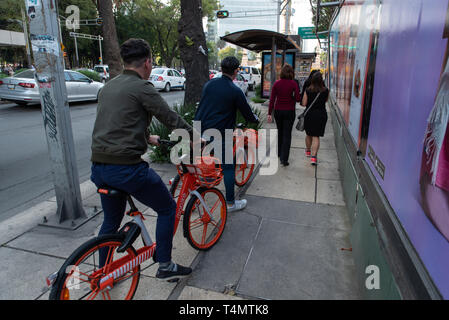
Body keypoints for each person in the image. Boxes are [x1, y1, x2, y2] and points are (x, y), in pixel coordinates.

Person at [90, 38, 194, 281]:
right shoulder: (143, 87)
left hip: (99, 169)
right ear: (147, 62)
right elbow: (170, 118)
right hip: (126, 170)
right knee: (167, 208)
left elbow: (117, 122)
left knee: (111, 222)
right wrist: (196, 137)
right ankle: (166, 265)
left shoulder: (109, 86)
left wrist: (148, 137)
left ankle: (103, 273)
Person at [194, 56, 259, 212]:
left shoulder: (209, 85)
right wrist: (254, 119)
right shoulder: (235, 90)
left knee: (203, 165)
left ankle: (196, 199)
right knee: (228, 168)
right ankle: (230, 203)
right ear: (236, 71)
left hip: (201, 130)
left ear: (222, 69)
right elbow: (248, 114)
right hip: (221, 134)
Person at [267, 64, 301, 166]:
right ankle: (284, 159)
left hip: (278, 111)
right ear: (291, 73)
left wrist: (269, 113)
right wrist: (293, 96)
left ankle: (279, 153)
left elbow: (272, 100)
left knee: (280, 132)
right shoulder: (293, 84)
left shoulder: (276, 84)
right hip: (289, 111)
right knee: (287, 134)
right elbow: (298, 99)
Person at [301, 72, 329, 165]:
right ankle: (313, 157)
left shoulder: (308, 90)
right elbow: (326, 100)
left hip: (310, 115)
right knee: (316, 136)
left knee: (309, 134)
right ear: (321, 80)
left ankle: (308, 151)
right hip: (321, 115)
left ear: (312, 80)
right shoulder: (326, 91)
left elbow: (304, 103)